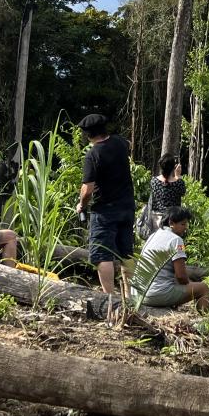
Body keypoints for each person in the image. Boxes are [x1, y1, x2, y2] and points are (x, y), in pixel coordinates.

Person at [76, 114, 135, 296]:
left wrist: (81, 205)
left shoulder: (93, 155)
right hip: (127, 206)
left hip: (105, 210)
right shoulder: (120, 143)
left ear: (88, 134)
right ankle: (129, 297)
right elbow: (127, 146)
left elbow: (87, 190)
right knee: (127, 252)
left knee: (102, 254)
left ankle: (109, 298)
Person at [138, 207, 209, 312]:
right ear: (171, 223)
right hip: (154, 294)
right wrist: (190, 284)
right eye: (183, 224)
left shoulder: (154, 235)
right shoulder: (176, 240)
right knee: (203, 288)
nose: (186, 228)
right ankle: (205, 321)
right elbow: (181, 276)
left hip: (139, 293)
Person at [146, 155, 186, 231]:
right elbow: (182, 193)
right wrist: (178, 176)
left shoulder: (154, 181)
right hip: (172, 220)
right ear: (174, 167)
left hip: (156, 218)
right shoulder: (178, 183)